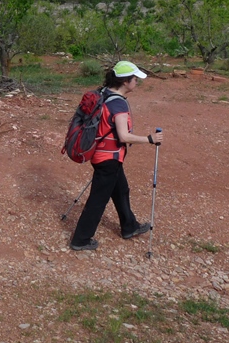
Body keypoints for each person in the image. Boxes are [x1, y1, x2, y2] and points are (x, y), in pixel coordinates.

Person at [69, 60, 163, 251]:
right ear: (125, 81)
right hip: (108, 159)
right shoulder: (118, 104)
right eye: (134, 78)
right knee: (98, 200)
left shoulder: (104, 93)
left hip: (104, 155)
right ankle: (80, 239)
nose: (136, 81)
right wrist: (150, 139)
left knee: (121, 190)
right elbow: (123, 136)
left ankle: (129, 226)